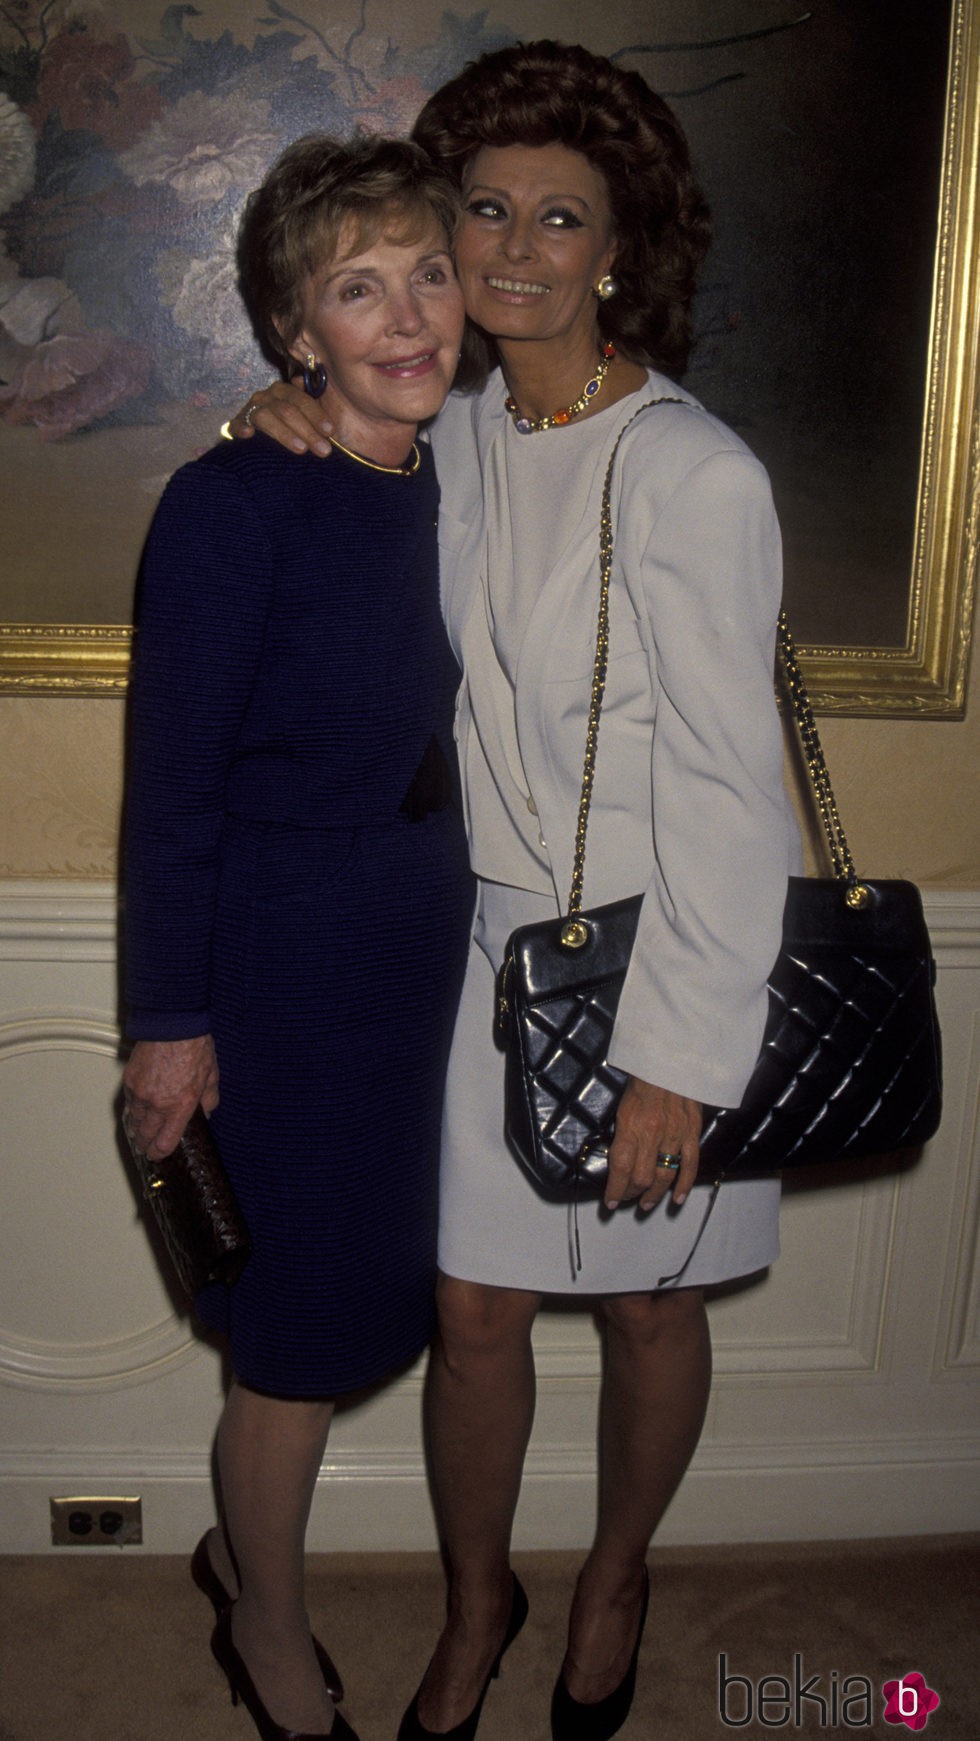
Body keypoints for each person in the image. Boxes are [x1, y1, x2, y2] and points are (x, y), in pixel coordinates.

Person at [228, 41, 801, 1741]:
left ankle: (616, 1571)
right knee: (472, 1307)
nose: (516, 244)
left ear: (620, 247)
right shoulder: (450, 428)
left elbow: (726, 784)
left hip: (666, 954)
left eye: (563, 215)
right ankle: (482, 1598)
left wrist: (688, 1052)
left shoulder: (698, 472)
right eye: (486, 206)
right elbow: (329, 523)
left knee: (644, 1300)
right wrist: (278, 416)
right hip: (491, 953)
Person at [122, 133, 473, 1741]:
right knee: (292, 1342)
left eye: (426, 273)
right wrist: (170, 1024)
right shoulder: (229, 503)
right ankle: (262, 1621)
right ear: (294, 333)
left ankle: (233, 1556)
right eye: (357, 287)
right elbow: (172, 793)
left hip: (426, 967)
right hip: (280, 974)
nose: (407, 315)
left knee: (368, 1304)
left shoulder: (472, 480)